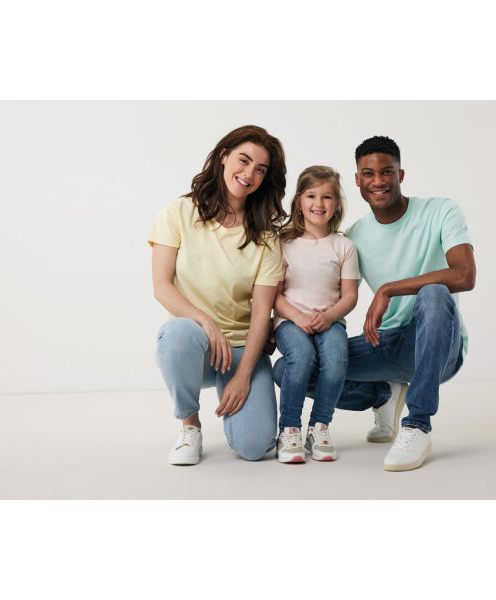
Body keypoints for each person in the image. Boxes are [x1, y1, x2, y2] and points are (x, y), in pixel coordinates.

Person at [273, 136, 476, 471]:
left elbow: (465, 275)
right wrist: (281, 321)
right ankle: (383, 395)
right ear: (357, 180)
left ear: (401, 174)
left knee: (434, 292)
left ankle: (418, 425)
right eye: (368, 173)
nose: (378, 181)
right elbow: (324, 284)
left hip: (440, 347)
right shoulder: (353, 238)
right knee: (289, 369)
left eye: (387, 172)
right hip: (387, 345)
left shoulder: (441, 210)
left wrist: (388, 290)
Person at [148, 125, 286, 465]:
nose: (249, 174)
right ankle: (190, 426)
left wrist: (243, 375)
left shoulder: (266, 237)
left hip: (242, 350)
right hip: (195, 347)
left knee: (255, 448)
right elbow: (161, 286)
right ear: (223, 156)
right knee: (178, 332)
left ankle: (238, 401)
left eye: (260, 169)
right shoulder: (178, 212)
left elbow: (261, 313)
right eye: (244, 160)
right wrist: (206, 322)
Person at [273, 166, 360, 464]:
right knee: (302, 356)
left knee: (336, 359)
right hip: (290, 321)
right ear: (299, 201)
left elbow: (350, 296)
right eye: (311, 196)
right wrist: (297, 317)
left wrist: (330, 316)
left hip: (330, 320)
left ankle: (319, 427)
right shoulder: (283, 244)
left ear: (337, 204)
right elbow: (274, 296)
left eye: (327, 197)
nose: (319, 203)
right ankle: (289, 430)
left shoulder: (344, 246)